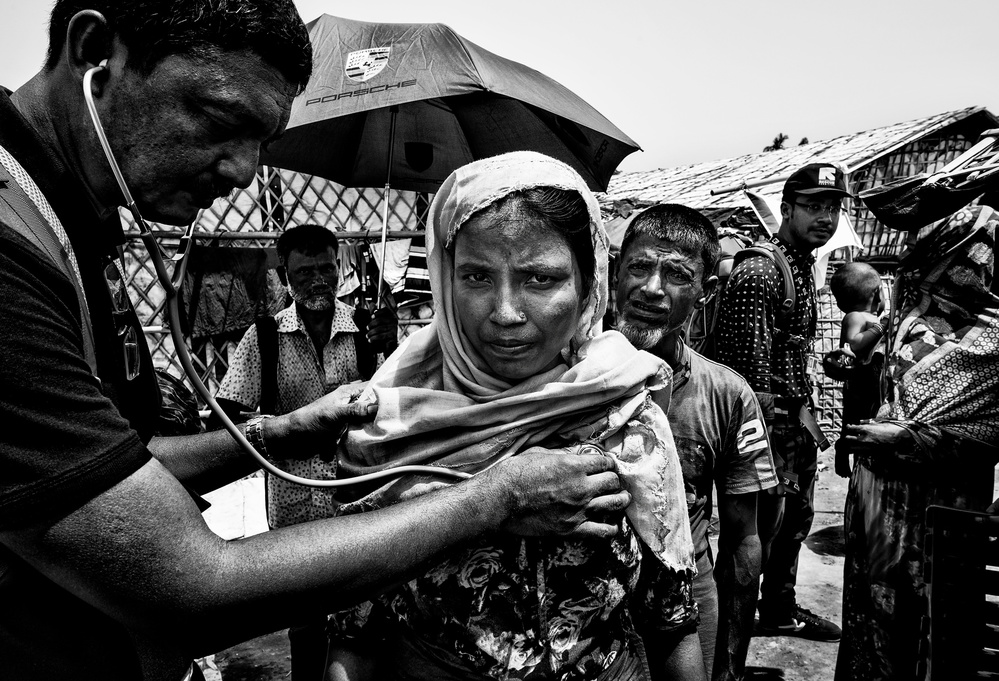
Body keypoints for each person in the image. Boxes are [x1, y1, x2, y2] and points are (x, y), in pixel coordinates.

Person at [0, 4, 632, 680]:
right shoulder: (12, 252)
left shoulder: (63, 222)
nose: (244, 171)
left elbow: (114, 466)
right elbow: (188, 581)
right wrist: (493, 500)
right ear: (96, 48)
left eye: (262, 142)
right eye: (221, 121)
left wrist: (282, 433)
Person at [324, 151, 702, 681]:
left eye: (541, 279)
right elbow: (352, 639)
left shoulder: (626, 415)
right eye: (476, 276)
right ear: (443, 279)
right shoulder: (388, 422)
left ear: (589, 281)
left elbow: (671, 623)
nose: (505, 313)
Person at [212, 223, 397, 679]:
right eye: (305, 271)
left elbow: (398, 404)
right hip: (292, 499)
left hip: (355, 492)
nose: (318, 281)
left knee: (361, 614)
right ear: (284, 274)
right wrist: (286, 431)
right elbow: (230, 417)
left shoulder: (365, 329)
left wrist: (390, 346)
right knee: (305, 621)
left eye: (327, 269)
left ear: (340, 269)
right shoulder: (265, 337)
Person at [833, 200, 999, 681]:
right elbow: (873, 372)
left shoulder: (990, 338)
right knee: (874, 622)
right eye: (961, 259)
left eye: (979, 259)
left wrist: (909, 439)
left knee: (934, 628)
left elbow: (991, 434)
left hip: (942, 513)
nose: (971, 271)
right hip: (876, 512)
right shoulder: (908, 317)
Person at [614, 203, 779, 681]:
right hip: (586, 609)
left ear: (705, 293)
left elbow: (743, 537)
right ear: (614, 274)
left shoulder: (726, 394)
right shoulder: (565, 377)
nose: (651, 288)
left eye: (676, 275)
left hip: (685, 604)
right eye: (639, 267)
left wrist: (728, 660)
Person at [715, 163, 846, 642]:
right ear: (786, 210)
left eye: (833, 207)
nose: (826, 218)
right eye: (814, 206)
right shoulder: (760, 272)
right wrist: (769, 443)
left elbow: (783, 350)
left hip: (795, 421)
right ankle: (727, 649)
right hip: (768, 430)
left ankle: (779, 609)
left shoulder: (802, 266)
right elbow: (744, 377)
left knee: (793, 527)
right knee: (754, 543)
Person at [827, 262, 887, 478]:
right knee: (852, 420)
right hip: (859, 378)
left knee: (868, 419)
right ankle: (842, 450)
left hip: (873, 379)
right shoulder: (855, 317)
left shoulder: (873, 319)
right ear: (877, 292)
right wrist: (881, 328)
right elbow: (853, 343)